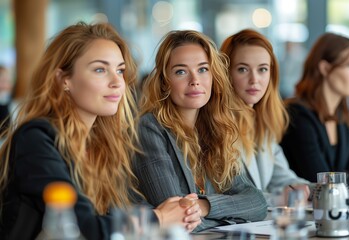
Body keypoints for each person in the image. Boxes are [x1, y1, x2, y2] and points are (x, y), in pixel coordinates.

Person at [0, 22, 201, 240]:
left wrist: (181, 210)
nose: (117, 82)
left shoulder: (100, 143)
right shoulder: (37, 139)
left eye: (120, 70)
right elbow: (84, 229)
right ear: (64, 79)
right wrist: (159, 217)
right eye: (100, 69)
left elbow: (121, 208)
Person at [133, 29, 267, 232]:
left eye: (203, 69)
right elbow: (179, 220)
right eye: (181, 71)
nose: (195, 80)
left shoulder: (216, 130)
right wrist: (234, 219)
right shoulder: (150, 128)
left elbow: (257, 202)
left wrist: (205, 206)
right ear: (163, 82)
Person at [220, 29, 310, 199]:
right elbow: (232, 197)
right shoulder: (217, 124)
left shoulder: (261, 121)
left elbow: (285, 180)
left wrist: (322, 190)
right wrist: (279, 198)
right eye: (242, 69)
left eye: (262, 69)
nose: (254, 79)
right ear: (226, 74)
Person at [280, 32, 349, 191]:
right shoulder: (297, 115)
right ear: (325, 68)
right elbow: (323, 186)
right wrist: (346, 181)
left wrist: (339, 184)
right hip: (299, 214)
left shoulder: (339, 119)